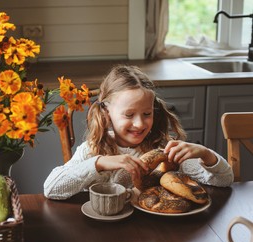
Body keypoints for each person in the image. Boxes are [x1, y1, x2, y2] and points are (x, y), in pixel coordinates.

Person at [44, 65, 233, 200]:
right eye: (129, 114)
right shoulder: (92, 151)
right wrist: (100, 163)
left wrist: (206, 154)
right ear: (106, 113)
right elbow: (51, 188)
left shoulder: (164, 150)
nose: (139, 123)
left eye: (147, 113)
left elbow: (225, 179)